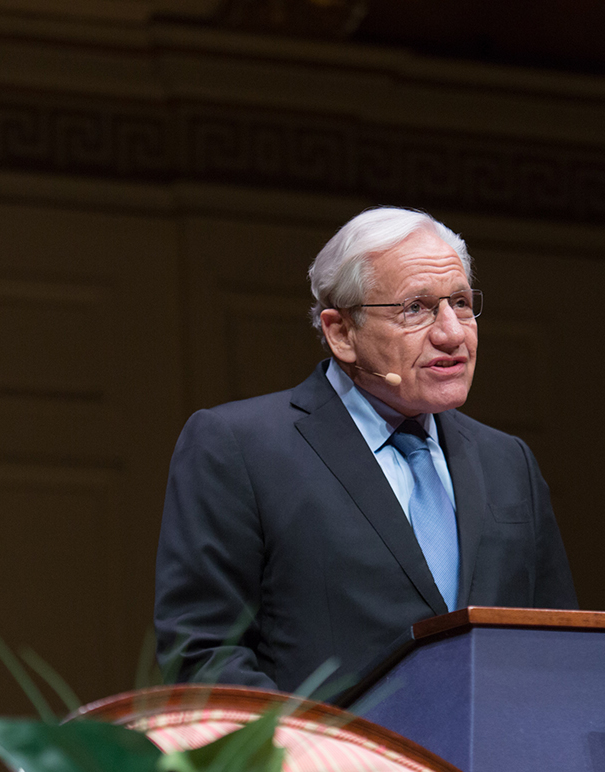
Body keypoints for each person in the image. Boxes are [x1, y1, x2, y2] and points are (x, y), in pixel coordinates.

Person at [154, 207, 576, 694]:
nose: (452, 333)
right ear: (341, 332)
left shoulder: (509, 463)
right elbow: (204, 655)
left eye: (459, 302)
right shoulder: (239, 447)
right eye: (415, 308)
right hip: (322, 767)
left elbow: (558, 649)